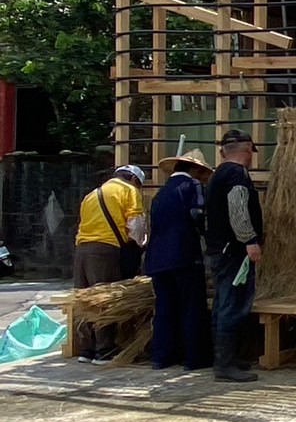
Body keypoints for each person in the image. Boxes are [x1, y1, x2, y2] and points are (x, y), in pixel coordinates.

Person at [145, 149, 214, 371]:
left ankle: (161, 357)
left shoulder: (160, 194)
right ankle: (195, 358)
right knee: (192, 307)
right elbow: (197, 214)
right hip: (184, 256)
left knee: (165, 308)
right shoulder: (192, 186)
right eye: (202, 172)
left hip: (157, 259)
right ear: (194, 169)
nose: (204, 177)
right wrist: (207, 238)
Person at [204, 130, 264, 383]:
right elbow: (237, 207)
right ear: (248, 148)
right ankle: (225, 365)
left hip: (220, 250)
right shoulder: (236, 174)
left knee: (222, 304)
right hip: (233, 252)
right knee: (232, 305)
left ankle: (224, 359)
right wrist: (249, 240)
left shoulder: (218, 175)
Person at [72, 164, 147, 363]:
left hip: (81, 249)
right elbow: (135, 223)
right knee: (105, 299)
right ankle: (104, 350)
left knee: (85, 299)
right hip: (105, 250)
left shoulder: (92, 194)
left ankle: (86, 349)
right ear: (134, 180)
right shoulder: (128, 190)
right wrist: (142, 243)